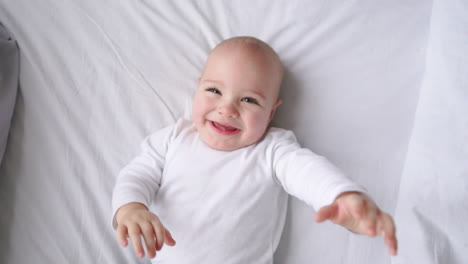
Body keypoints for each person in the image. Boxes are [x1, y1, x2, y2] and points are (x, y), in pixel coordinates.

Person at [111, 36, 398, 263]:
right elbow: (137, 175)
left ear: (271, 111)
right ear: (198, 88)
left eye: (249, 100)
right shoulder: (174, 138)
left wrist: (340, 195)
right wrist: (131, 208)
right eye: (214, 91)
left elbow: (307, 172)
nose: (227, 108)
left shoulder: (272, 150)